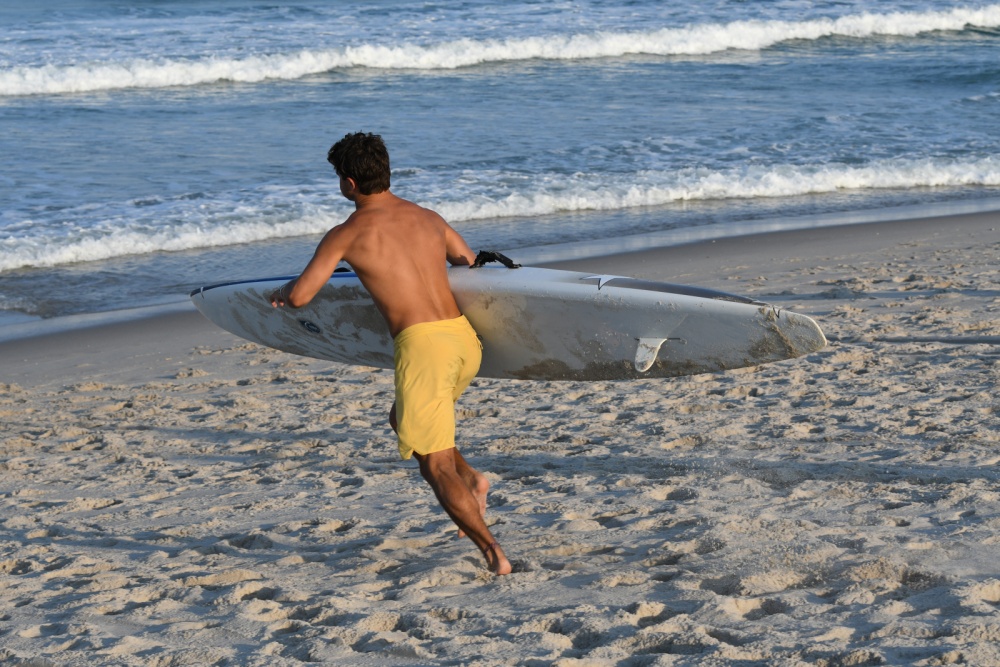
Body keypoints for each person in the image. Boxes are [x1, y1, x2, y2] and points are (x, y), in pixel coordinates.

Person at [268, 132, 511, 576]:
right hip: (463, 340)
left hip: (424, 349)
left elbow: (301, 296)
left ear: (348, 183)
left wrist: (283, 291)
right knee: (402, 420)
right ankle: (473, 479)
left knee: (434, 465)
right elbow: (468, 263)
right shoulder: (428, 218)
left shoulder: (346, 234)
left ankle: (494, 554)